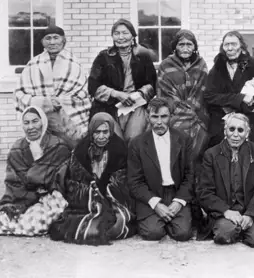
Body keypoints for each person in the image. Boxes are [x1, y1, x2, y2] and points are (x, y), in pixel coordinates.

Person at [52, 112, 135, 244]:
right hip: (86, 201)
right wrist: (92, 193)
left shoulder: (120, 150)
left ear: (111, 131)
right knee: (70, 225)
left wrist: (106, 192)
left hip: (112, 200)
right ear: (91, 131)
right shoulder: (81, 150)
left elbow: (122, 181)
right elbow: (75, 182)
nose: (101, 136)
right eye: (97, 132)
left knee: (117, 223)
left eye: (105, 132)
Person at [196, 113, 254, 248]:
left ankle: (242, 229)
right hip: (224, 213)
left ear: (247, 133)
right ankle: (235, 229)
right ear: (225, 131)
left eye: (240, 130)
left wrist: (251, 215)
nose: (235, 135)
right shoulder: (211, 154)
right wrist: (226, 211)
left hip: (248, 211)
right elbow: (204, 191)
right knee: (224, 234)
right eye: (231, 129)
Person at [127, 97, 194, 242]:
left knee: (182, 233)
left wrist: (179, 201)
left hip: (176, 192)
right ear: (147, 116)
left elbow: (191, 175)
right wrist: (155, 204)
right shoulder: (137, 144)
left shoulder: (183, 139)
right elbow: (135, 181)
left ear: (171, 116)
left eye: (164, 116)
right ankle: (159, 221)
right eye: (154, 117)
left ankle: (172, 220)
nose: (159, 122)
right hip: (152, 193)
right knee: (153, 233)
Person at [0, 106, 70, 236]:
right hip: (22, 199)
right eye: (26, 123)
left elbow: (61, 179)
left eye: (35, 121)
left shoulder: (58, 146)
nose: (31, 127)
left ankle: (25, 224)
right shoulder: (17, 148)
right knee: (4, 218)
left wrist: (34, 180)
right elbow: (13, 182)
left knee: (37, 221)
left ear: (43, 122)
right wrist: (34, 188)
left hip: (50, 198)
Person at [15, 25, 91, 143]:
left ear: (63, 40)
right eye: (48, 38)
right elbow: (21, 92)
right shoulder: (33, 64)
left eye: (56, 38)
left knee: (71, 147)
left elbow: (83, 91)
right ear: (42, 42)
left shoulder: (74, 63)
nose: (52, 42)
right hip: (42, 116)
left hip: (69, 118)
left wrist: (59, 103)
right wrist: (45, 102)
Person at [88, 19, 157, 142]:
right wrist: (116, 94)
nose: (121, 37)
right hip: (108, 106)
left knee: (134, 138)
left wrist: (139, 94)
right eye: (117, 33)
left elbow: (153, 84)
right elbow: (92, 86)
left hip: (136, 105)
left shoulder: (143, 57)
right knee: (115, 140)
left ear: (132, 35)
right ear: (112, 36)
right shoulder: (103, 57)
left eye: (125, 33)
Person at [157, 29, 209, 166]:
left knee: (199, 137)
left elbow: (201, 91)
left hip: (197, 113)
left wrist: (191, 110)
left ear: (194, 47)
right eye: (181, 44)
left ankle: (192, 176)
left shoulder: (201, 64)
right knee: (173, 134)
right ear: (175, 46)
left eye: (189, 44)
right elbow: (167, 94)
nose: (185, 48)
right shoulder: (165, 65)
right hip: (173, 112)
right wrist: (182, 111)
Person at [205, 31, 254, 147]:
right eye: (226, 45)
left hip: (248, 119)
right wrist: (240, 98)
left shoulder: (253, 65)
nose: (230, 48)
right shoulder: (218, 67)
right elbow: (209, 96)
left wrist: (244, 106)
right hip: (222, 120)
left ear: (241, 46)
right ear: (222, 47)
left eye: (234, 44)